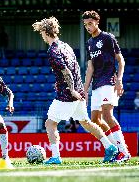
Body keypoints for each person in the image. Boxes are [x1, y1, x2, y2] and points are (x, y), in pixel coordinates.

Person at [32, 16, 118, 164]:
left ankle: (56, 157)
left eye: (42, 33)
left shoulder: (53, 50)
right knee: (85, 122)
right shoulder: (66, 46)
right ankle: (110, 147)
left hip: (67, 94)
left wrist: (71, 89)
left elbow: (66, 71)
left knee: (50, 123)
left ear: (46, 32)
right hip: (77, 92)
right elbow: (76, 68)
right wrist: (79, 89)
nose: (43, 36)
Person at [82, 10, 130, 162]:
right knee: (95, 119)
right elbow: (90, 68)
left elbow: (120, 60)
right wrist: (85, 90)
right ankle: (114, 149)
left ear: (97, 22)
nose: (88, 27)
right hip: (96, 84)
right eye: (85, 25)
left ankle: (124, 152)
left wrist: (119, 80)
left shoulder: (108, 38)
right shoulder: (89, 43)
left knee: (108, 115)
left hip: (108, 81)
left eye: (90, 23)